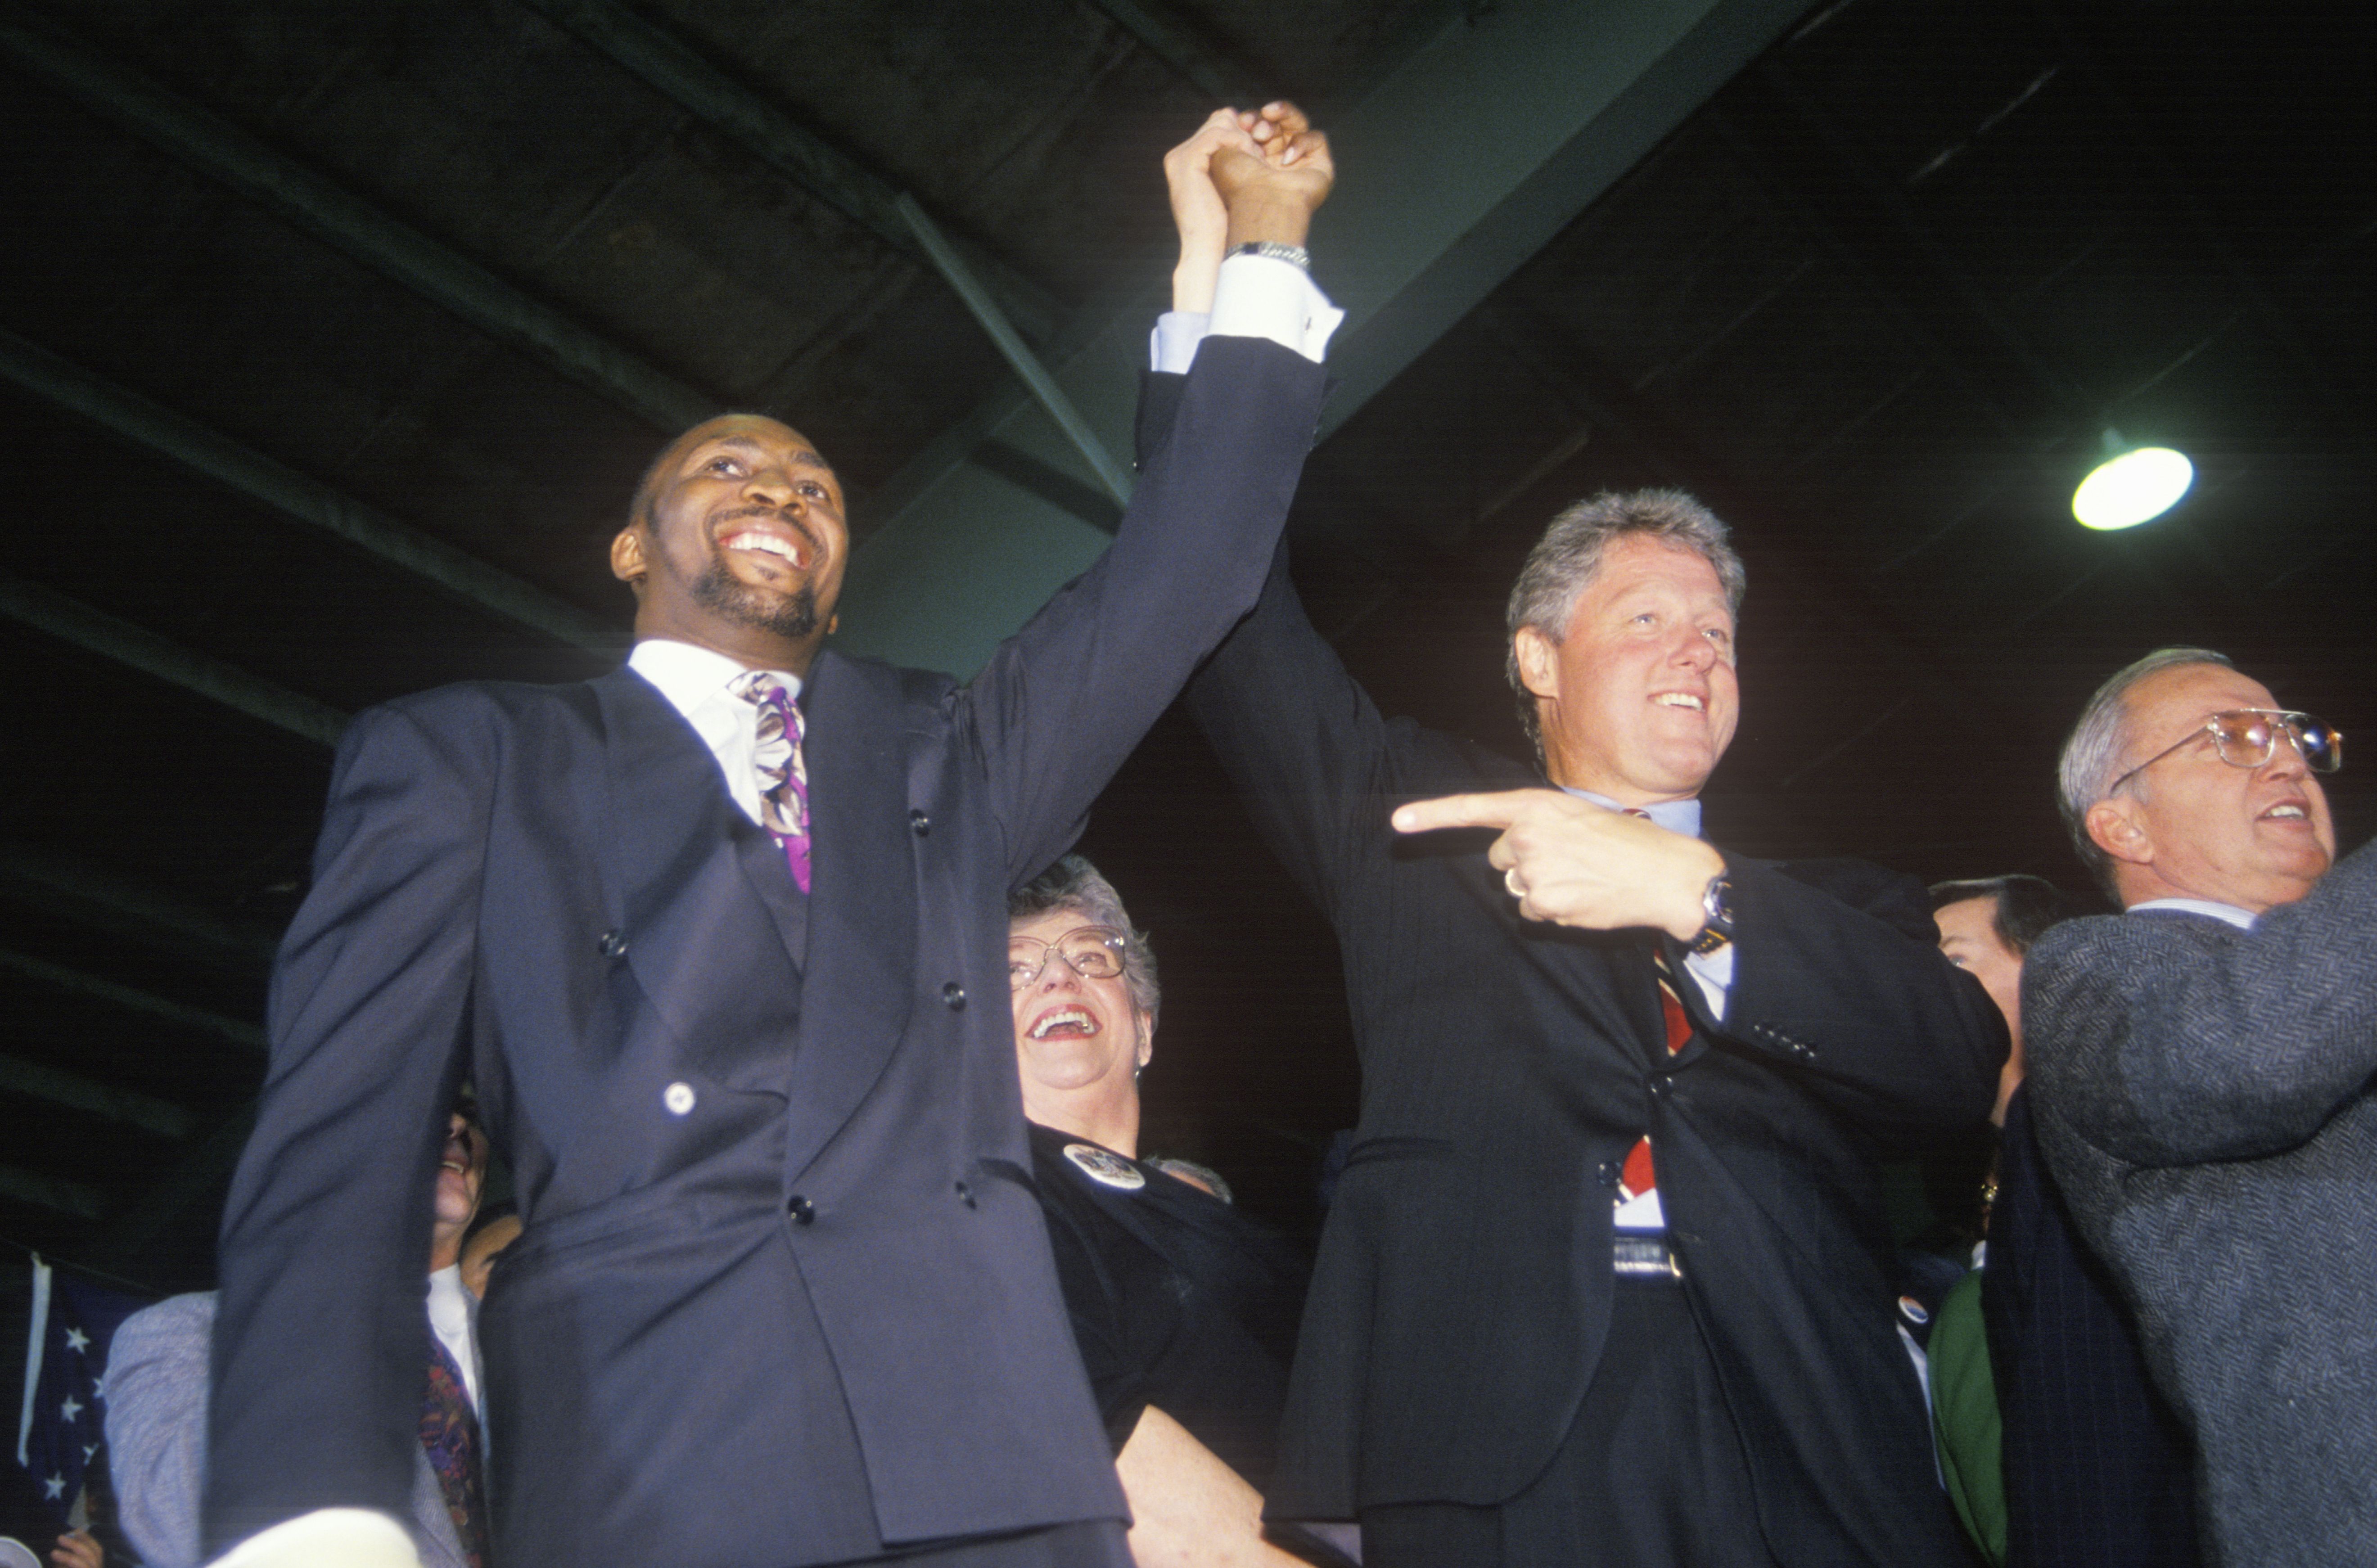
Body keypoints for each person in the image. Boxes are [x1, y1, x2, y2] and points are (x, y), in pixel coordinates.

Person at [200, 107, 1337, 1568]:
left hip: (992, 1468)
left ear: (840, 576)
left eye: (814, 486)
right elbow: (344, 1119)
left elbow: (1185, 570)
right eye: (726, 469)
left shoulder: (946, 757)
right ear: (630, 547)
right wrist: (306, 1501)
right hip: (667, 1458)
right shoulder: (471, 754)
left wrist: (1254, 247)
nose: (779, 491)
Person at [1162, 409, 2005, 1559]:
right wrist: (1230, 346)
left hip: (1807, 1432)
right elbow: (1233, 624)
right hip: (1499, 1434)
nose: (1697, 651)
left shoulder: (1845, 907)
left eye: (1717, 631)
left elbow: (1955, 1063)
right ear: (1538, 660)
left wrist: (1699, 896)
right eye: (1648, 617)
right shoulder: (1421, 828)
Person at [2023, 647, 2366, 1565]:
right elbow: (2256, 1054)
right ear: (2123, 824)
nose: (2287, 757)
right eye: (2234, 735)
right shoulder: (2092, 973)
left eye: (2294, 733)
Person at [1005, 856, 1313, 1568]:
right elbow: (1084, 1431)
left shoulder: (1247, 1233)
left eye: (1091, 957)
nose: (1059, 977)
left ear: (1143, 1029)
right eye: (1014, 971)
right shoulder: (994, 1201)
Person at [109, 1112, 491, 1568]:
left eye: (468, 1108)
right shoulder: (184, 1331)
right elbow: (183, 1524)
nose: (454, 1122)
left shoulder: (537, 1349)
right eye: (425, 1104)